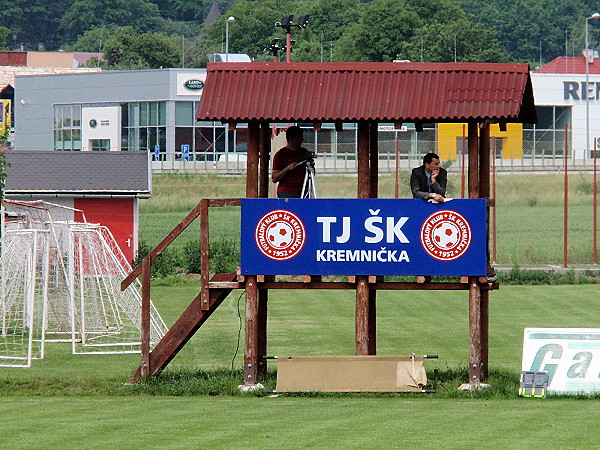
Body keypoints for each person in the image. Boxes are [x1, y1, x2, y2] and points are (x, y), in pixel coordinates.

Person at [272, 126, 309, 198]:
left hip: (303, 191)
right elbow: (274, 178)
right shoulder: (281, 154)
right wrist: (287, 169)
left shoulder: (303, 152)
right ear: (291, 138)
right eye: (299, 137)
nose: (302, 140)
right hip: (287, 192)